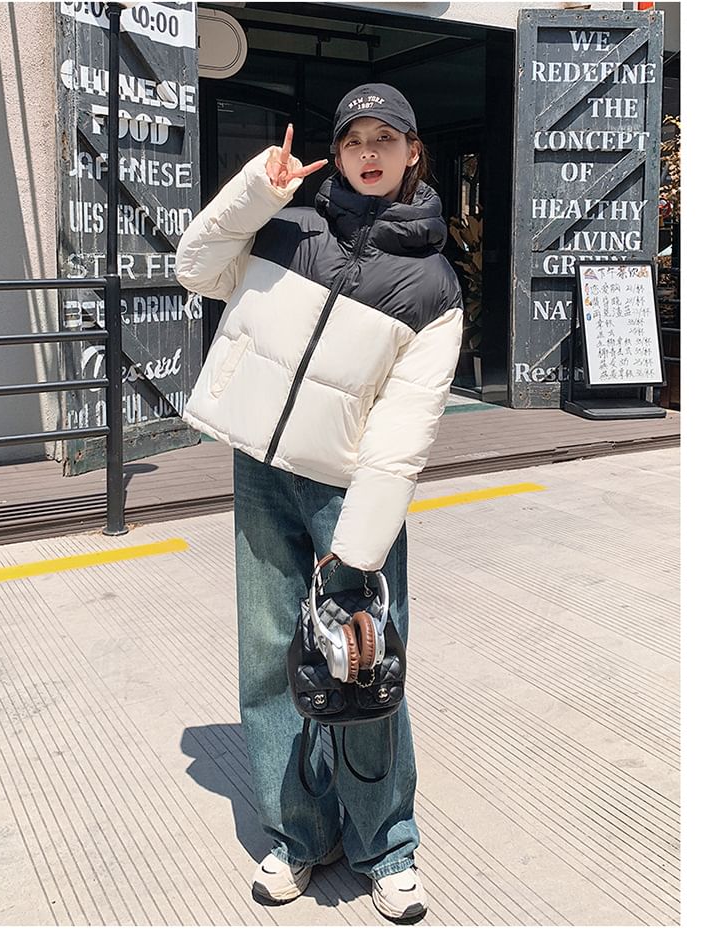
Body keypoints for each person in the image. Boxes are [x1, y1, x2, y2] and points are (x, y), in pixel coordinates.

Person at [174, 83, 463, 922]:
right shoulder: (287, 227)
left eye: (386, 138)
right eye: (354, 139)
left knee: (362, 665)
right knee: (271, 656)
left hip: (350, 491)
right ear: (335, 154)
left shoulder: (433, 285)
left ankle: (387, 844)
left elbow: (404, 427)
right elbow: (195, 268)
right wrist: (255, 192)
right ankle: (299, 833)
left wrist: (363, 543)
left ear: (413, 152)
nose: (369, 152)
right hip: (261, 470)